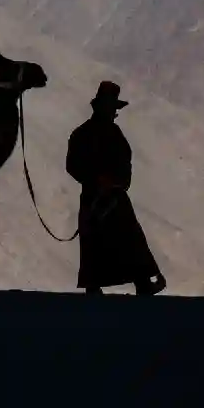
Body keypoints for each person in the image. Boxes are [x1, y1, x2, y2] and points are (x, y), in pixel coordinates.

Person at [65, 81, 166, 296]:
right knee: (123, 240)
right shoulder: (92, 134)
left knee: (118, 240)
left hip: (104, 197)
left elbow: (76, 166)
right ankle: (141, 283)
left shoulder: (84, 134)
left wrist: (108, 182)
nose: (113, 112)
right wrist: (101, 181)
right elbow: (74, 165)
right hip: (106, 198)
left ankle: (132, 283)